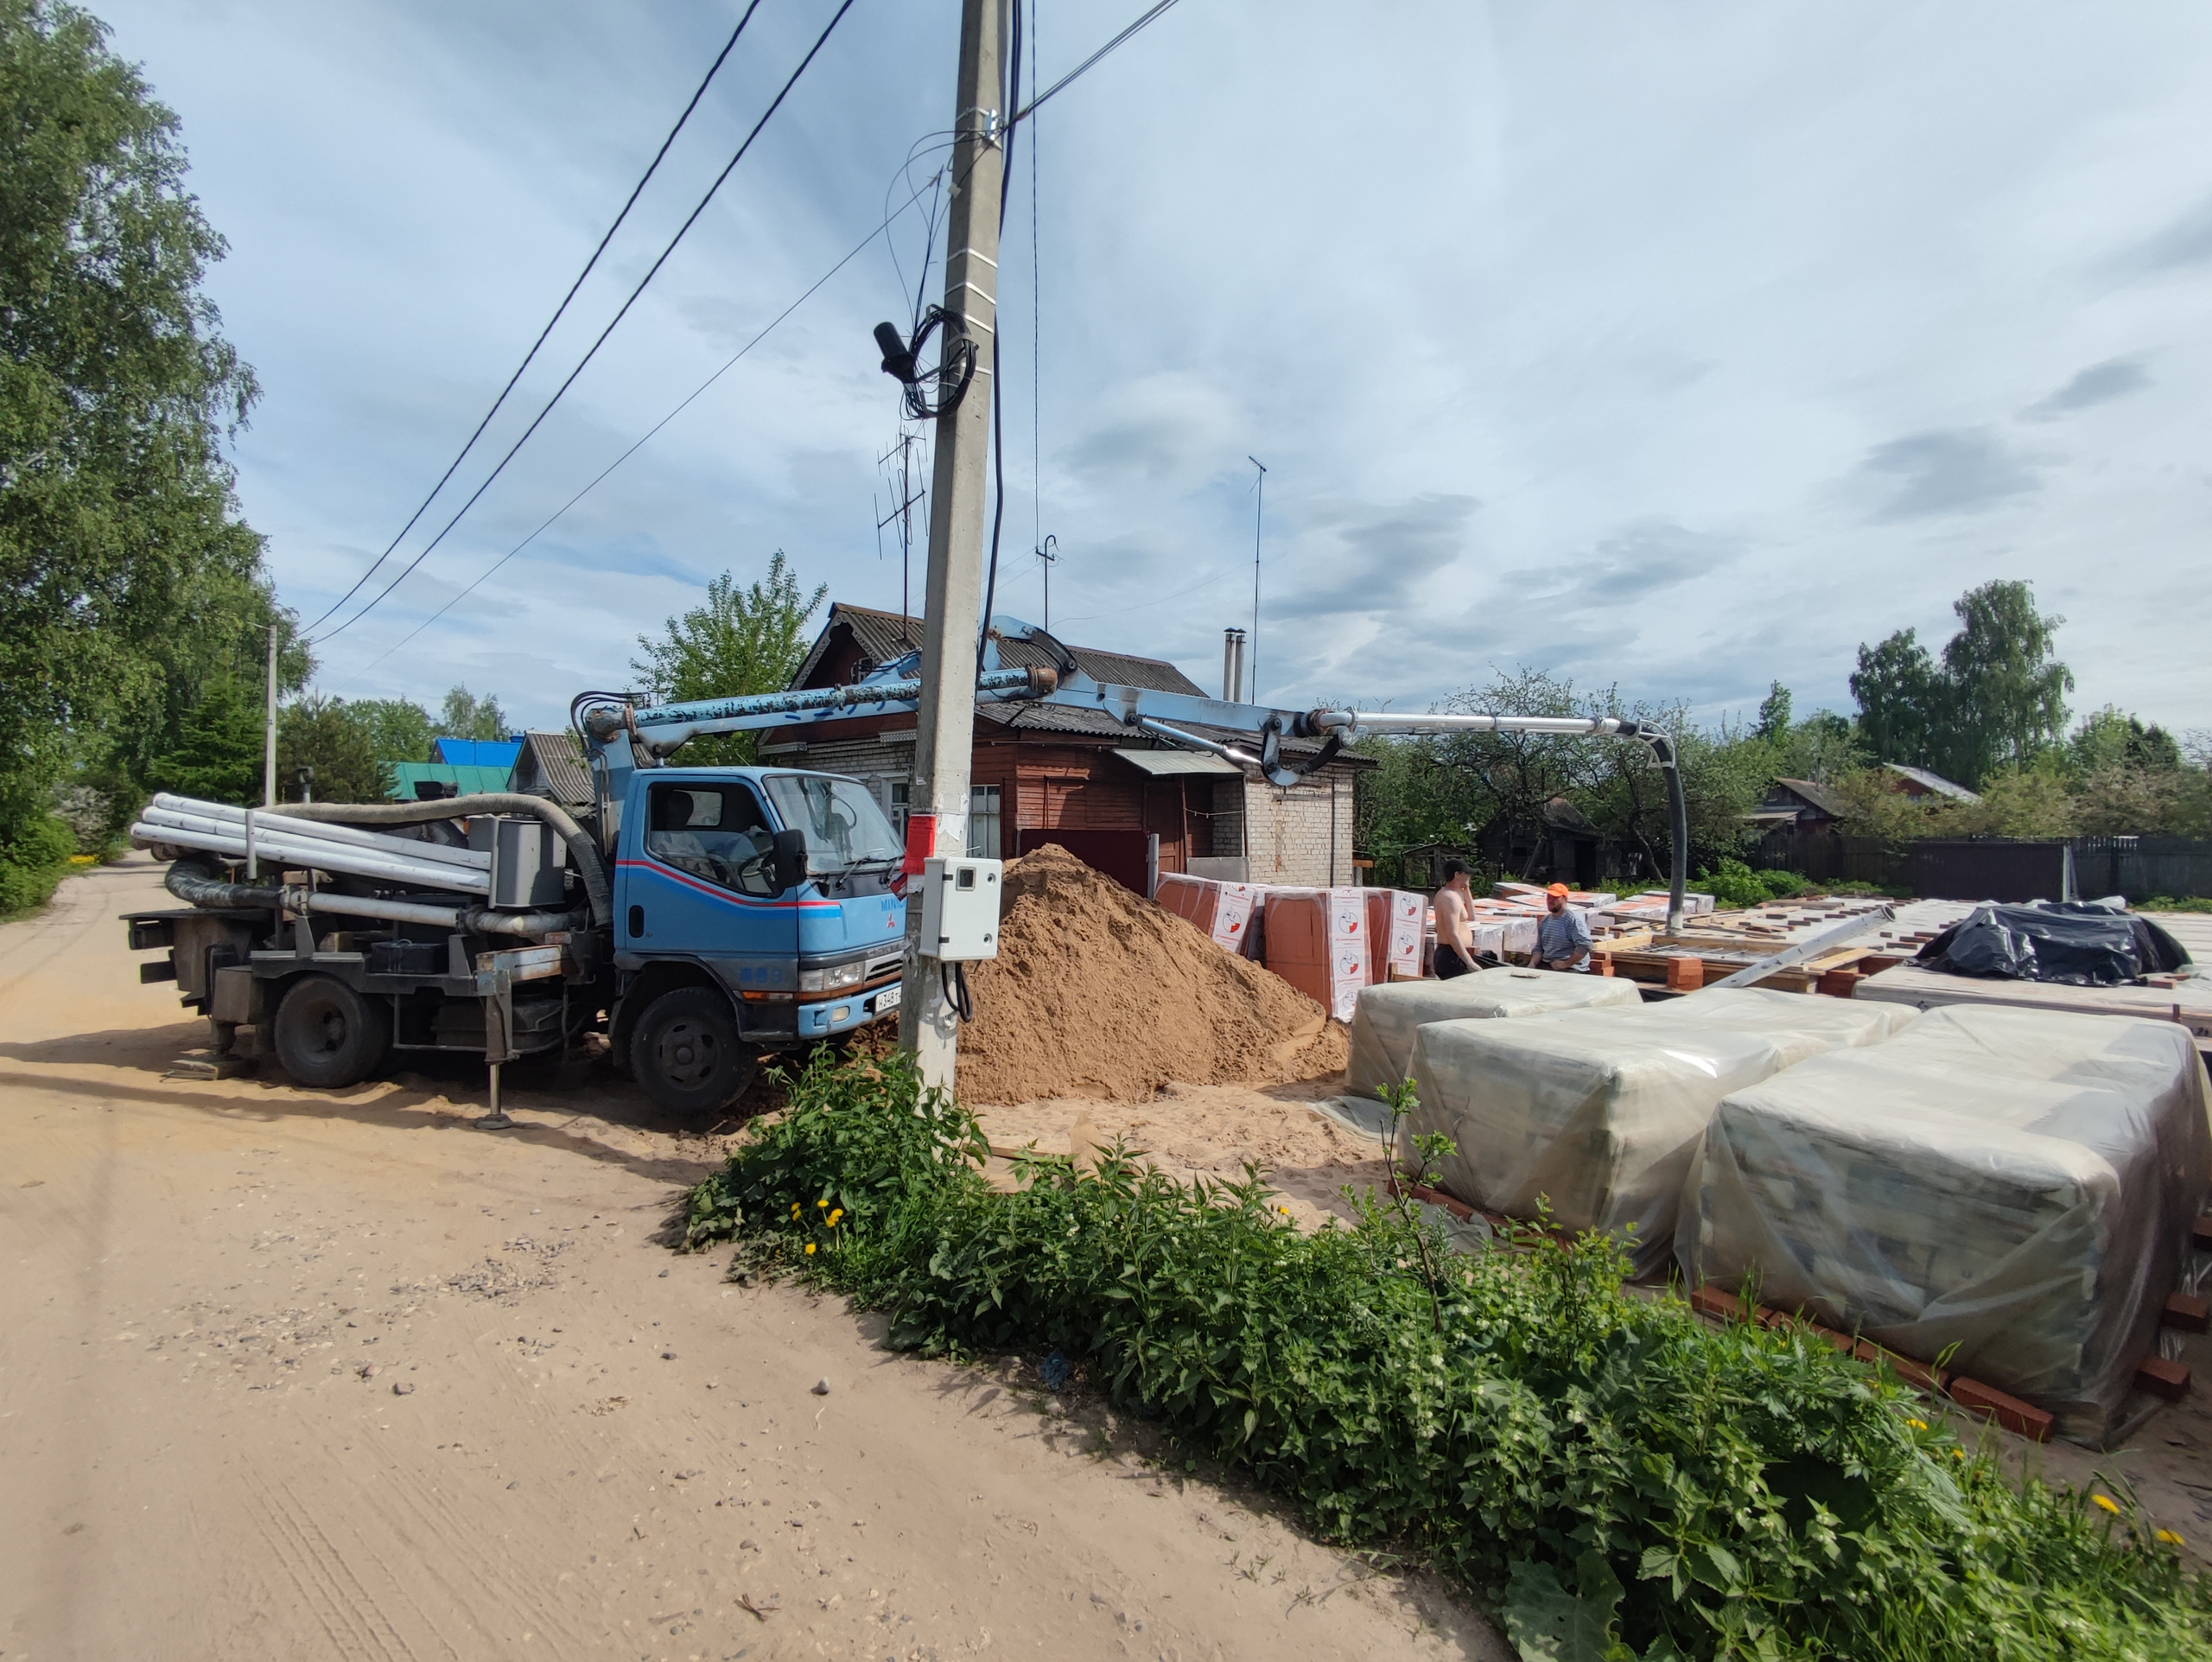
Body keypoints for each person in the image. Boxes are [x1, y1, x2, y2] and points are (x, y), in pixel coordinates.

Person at [1432, 860, 1478, 979]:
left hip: (1458, 954)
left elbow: (1472, 916)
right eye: (1466, 874)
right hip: (1451, 954)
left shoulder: (1455, 895)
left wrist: (1466, 890)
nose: (1469, 877)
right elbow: (1452, 933)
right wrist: (1469, 962)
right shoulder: (1448, 897)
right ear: (1457, 875)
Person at [1534, 882, 1592, 971]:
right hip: (1548, 964)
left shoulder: (1572, 919)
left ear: (1564, 899)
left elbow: (1585, 945)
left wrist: (1565, 964)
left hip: (1570, 967)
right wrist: (1532, 964)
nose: (1550, 900)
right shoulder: (1545, 921)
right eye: (1549, 897)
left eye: (1555, 898)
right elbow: (1539, 948)